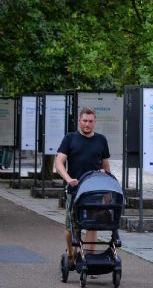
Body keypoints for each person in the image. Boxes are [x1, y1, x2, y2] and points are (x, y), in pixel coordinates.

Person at [55, 107, 111, 266]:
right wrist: (68, 178)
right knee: (71, 226)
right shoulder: (70, 138)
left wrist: (107, 184)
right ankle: (71, 253)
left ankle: (89, 261)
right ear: (80, 121)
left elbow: (106, 167)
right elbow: (59, 162)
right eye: (84, 121)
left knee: (92, 226)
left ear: (95, 122)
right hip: (75, 189)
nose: (87, 124)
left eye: (90, 121)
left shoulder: (101, 140)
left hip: (95, 191)